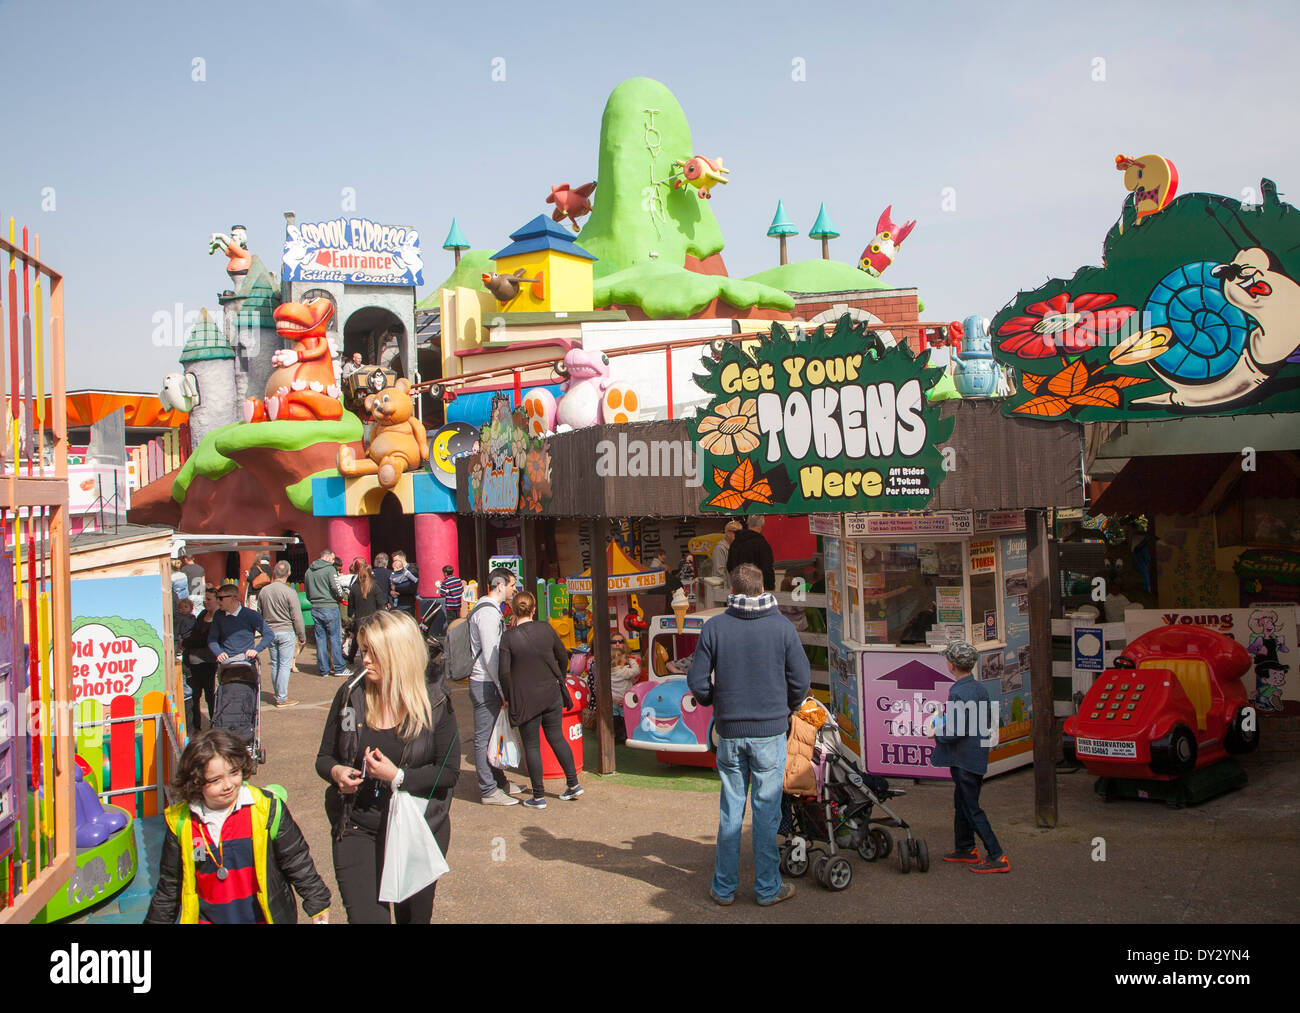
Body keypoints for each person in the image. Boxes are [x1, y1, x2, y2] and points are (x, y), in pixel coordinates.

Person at [315, 611, 460, 924]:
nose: (364, 659)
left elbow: (448, 773)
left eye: (373, 653)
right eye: (363, 650)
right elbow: (324, 757)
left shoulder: (434, 703)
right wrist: (337, 772)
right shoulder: (350, 695)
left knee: (414, 918)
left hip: (417, 828)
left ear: (399, 655)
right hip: (356, 824)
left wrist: (398, 777)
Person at [687, 563, 809, 907]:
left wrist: (717, 701)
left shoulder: (715, 627)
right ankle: (768, 888)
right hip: (770, 731)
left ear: (732, 589)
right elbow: (801, 681)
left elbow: (697, 682)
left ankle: (724, 889)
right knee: (766, 811)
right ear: (763, 588)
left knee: (731, 811)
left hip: (729, 731)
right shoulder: (782, 628)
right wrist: (784, 706)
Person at [146, 728, 331, 924]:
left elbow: (296, 859)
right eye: (215, 780)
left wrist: (317, 901)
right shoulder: (182, 823)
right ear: (196, 781)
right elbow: (170, 887)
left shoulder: (266, 809)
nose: (228, 785)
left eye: (234, 772)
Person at [929, 640, 1009, 873]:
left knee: (971, 807)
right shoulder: (979, 689)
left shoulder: (958, 693)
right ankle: (964, 847)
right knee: (962, 802)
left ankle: (997, 855)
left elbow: (956, 730)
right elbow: (984, 722)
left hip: (962, 759)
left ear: (951, 666)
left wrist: (937, 733)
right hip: (976, 756)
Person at [498, 591, 582, 809]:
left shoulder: (508, 637)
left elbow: (504, 673)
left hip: (525, 697)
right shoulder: (545, 628)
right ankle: (573, 784)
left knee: (532, 745)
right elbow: (563, 655)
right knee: (557, 737)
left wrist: (507, 696)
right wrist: (560, 678)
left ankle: (538, 796)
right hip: (551, 693)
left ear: (513, 612)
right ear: (534, 609)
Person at [469, 567, 525, 805]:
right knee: (484, 737)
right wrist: (503, 689)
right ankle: (488, 789)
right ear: (500, 585)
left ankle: (499, 781)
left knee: (492, 734)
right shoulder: (489, 614)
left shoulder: (488, 610)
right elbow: (492, 657)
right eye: (513, 585)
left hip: (486, 681)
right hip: (485, 682)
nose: (515, 589)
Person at [257, 561, 307, 708]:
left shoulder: (264, 591)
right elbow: (297, 616)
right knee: (284, 665)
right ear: (289, 573)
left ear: (274, 573)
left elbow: (259, 613)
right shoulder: (289, 592)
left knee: (275, 664)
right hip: (286, 631)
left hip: (270, 631)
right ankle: (281, 697)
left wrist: (263, 631)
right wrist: (302, 636)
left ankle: (279, 694)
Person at [181, 586, 220, 731]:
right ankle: (195, 727)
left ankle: (214, 724)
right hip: (193, 662)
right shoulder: (203, 614)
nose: (205, 602)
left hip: (208, 662)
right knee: (194, 696)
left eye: (208, 599)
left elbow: (204, 639)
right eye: (204, 599)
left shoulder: (218, 619)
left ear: (217, 601)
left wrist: (185, 642)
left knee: (210, 695)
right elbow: (194, 634)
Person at [209, 583, 273, 670]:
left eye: (220, 598)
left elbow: (269, 634)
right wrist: (219, 653)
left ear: (232, 598)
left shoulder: (251, 615)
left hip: (246, 663)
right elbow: (212, 639)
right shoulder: (218, 615)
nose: (217, 601)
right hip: (226, 663)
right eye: (217, 598)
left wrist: (256, 650)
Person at [305, 548, 348, 677]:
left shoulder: (308, 571)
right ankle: (339, 668)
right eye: (333, 558)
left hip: (316, 607)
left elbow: (307, 591)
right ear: (328, 557)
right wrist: (341, 596)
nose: (334, 561)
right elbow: (336, 586)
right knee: (335, 638)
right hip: (330, 606)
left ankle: (323, 669)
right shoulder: (330, 569)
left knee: (320, 639)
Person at [347, 563, 389, 668]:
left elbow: (350, 605)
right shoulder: (375, 586)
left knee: (359, 641)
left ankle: (352, 658)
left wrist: (351, 615)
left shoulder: (354, 588)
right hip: (372, 619)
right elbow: (380, 603)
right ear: (370, 573)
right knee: (372, 642)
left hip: (358, 619)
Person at [726, 515, 776, 591]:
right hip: (757, 590)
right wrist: (770, 587)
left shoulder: (736, 542)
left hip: (739, 588)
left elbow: (729, 566)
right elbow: (767, 569)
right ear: (762, 524)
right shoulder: (762, 544)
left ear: (748, 523)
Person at [608, 632, 641, 745]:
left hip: (615, 699)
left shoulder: (612, 670)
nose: (617, 644)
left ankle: (615, 736)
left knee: (615, 719)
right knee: (625, 718)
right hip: (622, 698)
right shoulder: (624, 670)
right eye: (614, 642)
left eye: (620, 641)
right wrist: (631, 662)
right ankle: (626, 735)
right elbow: (636, 671)